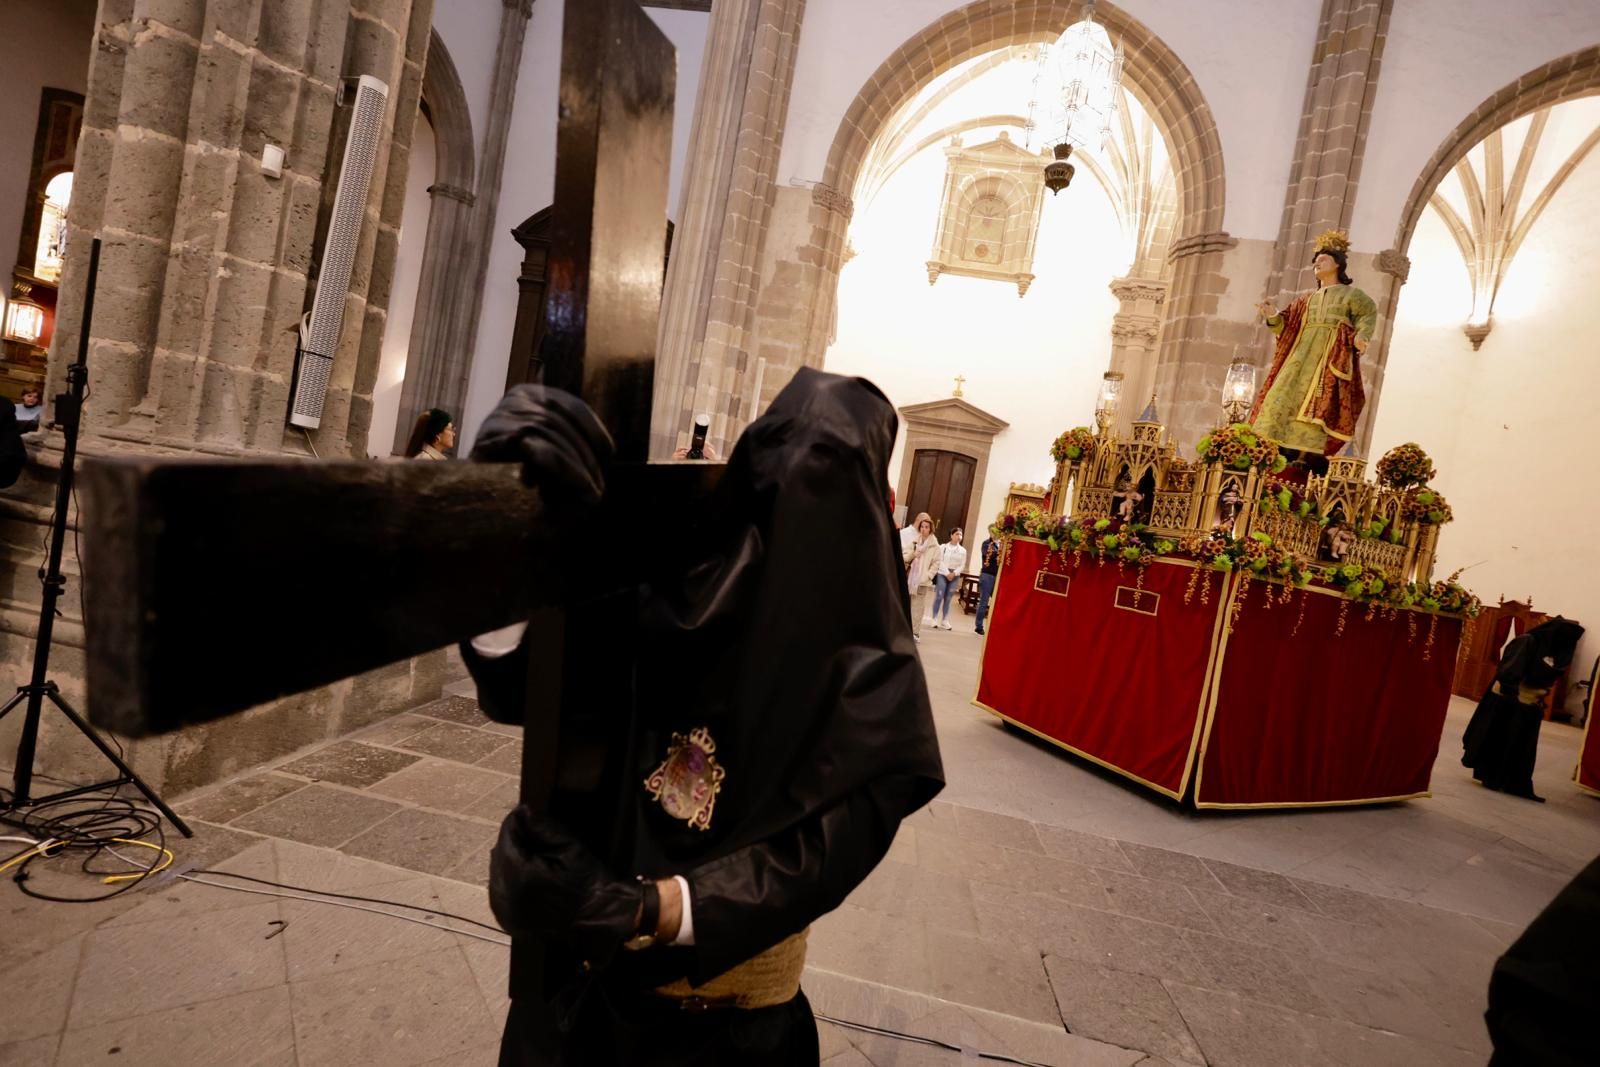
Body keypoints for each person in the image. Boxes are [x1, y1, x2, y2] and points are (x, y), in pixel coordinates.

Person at [463, 372, 944, 1065]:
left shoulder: (879, 690)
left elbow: (811, 860)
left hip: (729, 1034)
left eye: (821, 497)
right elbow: (528, 687)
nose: (793, 524)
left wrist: (647, 908)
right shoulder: (677, 595)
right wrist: (504, 526)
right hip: (577, 1007)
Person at [1250, 229, 1377, 457]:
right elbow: (1286, 327)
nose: (1316, 264)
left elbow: (1367, 314)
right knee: (1279, 397)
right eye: (1315, 261)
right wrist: (1272, 315)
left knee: (1319, 405)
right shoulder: (1306, 300)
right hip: (1299, 358)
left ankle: (1305, 454)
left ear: (1338, 264)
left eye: (1323, 259)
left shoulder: (1352, 296)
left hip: (1327, 359)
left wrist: (1362, 336)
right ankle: (1273, 447)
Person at [1462, 617, 1585, 802]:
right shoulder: (1527, 641)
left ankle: (1515, 783)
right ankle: (1492, 777)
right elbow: (1509, 671)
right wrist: (1513, 697)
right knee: (1500, 740)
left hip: (1530, 705)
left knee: (1522, 747)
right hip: (1507, 702)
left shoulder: (1556, 648)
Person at [901, 513, 940, 640]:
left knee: (917, 607)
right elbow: (905, 556)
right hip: (910, 579)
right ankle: (904, 630)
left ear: (931, 529)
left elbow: (936, 563)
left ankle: (915, 632)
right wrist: (913, 554)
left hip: (922, 581)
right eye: (922, 527)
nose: (923, 529)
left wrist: (928, 576)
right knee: (906, 605)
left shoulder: (935, 545)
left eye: (926, 527)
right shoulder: (914, 542)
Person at [930, 528, 967, 631]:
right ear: (951, 535)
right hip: (943, 573)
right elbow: (940, 561)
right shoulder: (943, 547)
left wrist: (954, 573)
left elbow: (962, 565)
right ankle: (934, 618)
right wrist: (947, 573)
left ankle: (945, 620)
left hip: (955, 575)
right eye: (957, 534)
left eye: (960, 534)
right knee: (939, 596)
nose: (959, 536)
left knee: (948, 598)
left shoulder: (963, 551)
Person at [974, 528, 1001, 635]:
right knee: (984, 602)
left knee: (997, 603)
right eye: (993, 532)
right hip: (987, 575)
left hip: (998, 576)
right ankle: (979, 626)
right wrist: (1000, 551)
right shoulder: (986, 544)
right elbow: (990, 555)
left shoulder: (1002, 544)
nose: (996, 534)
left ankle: (992, 627)